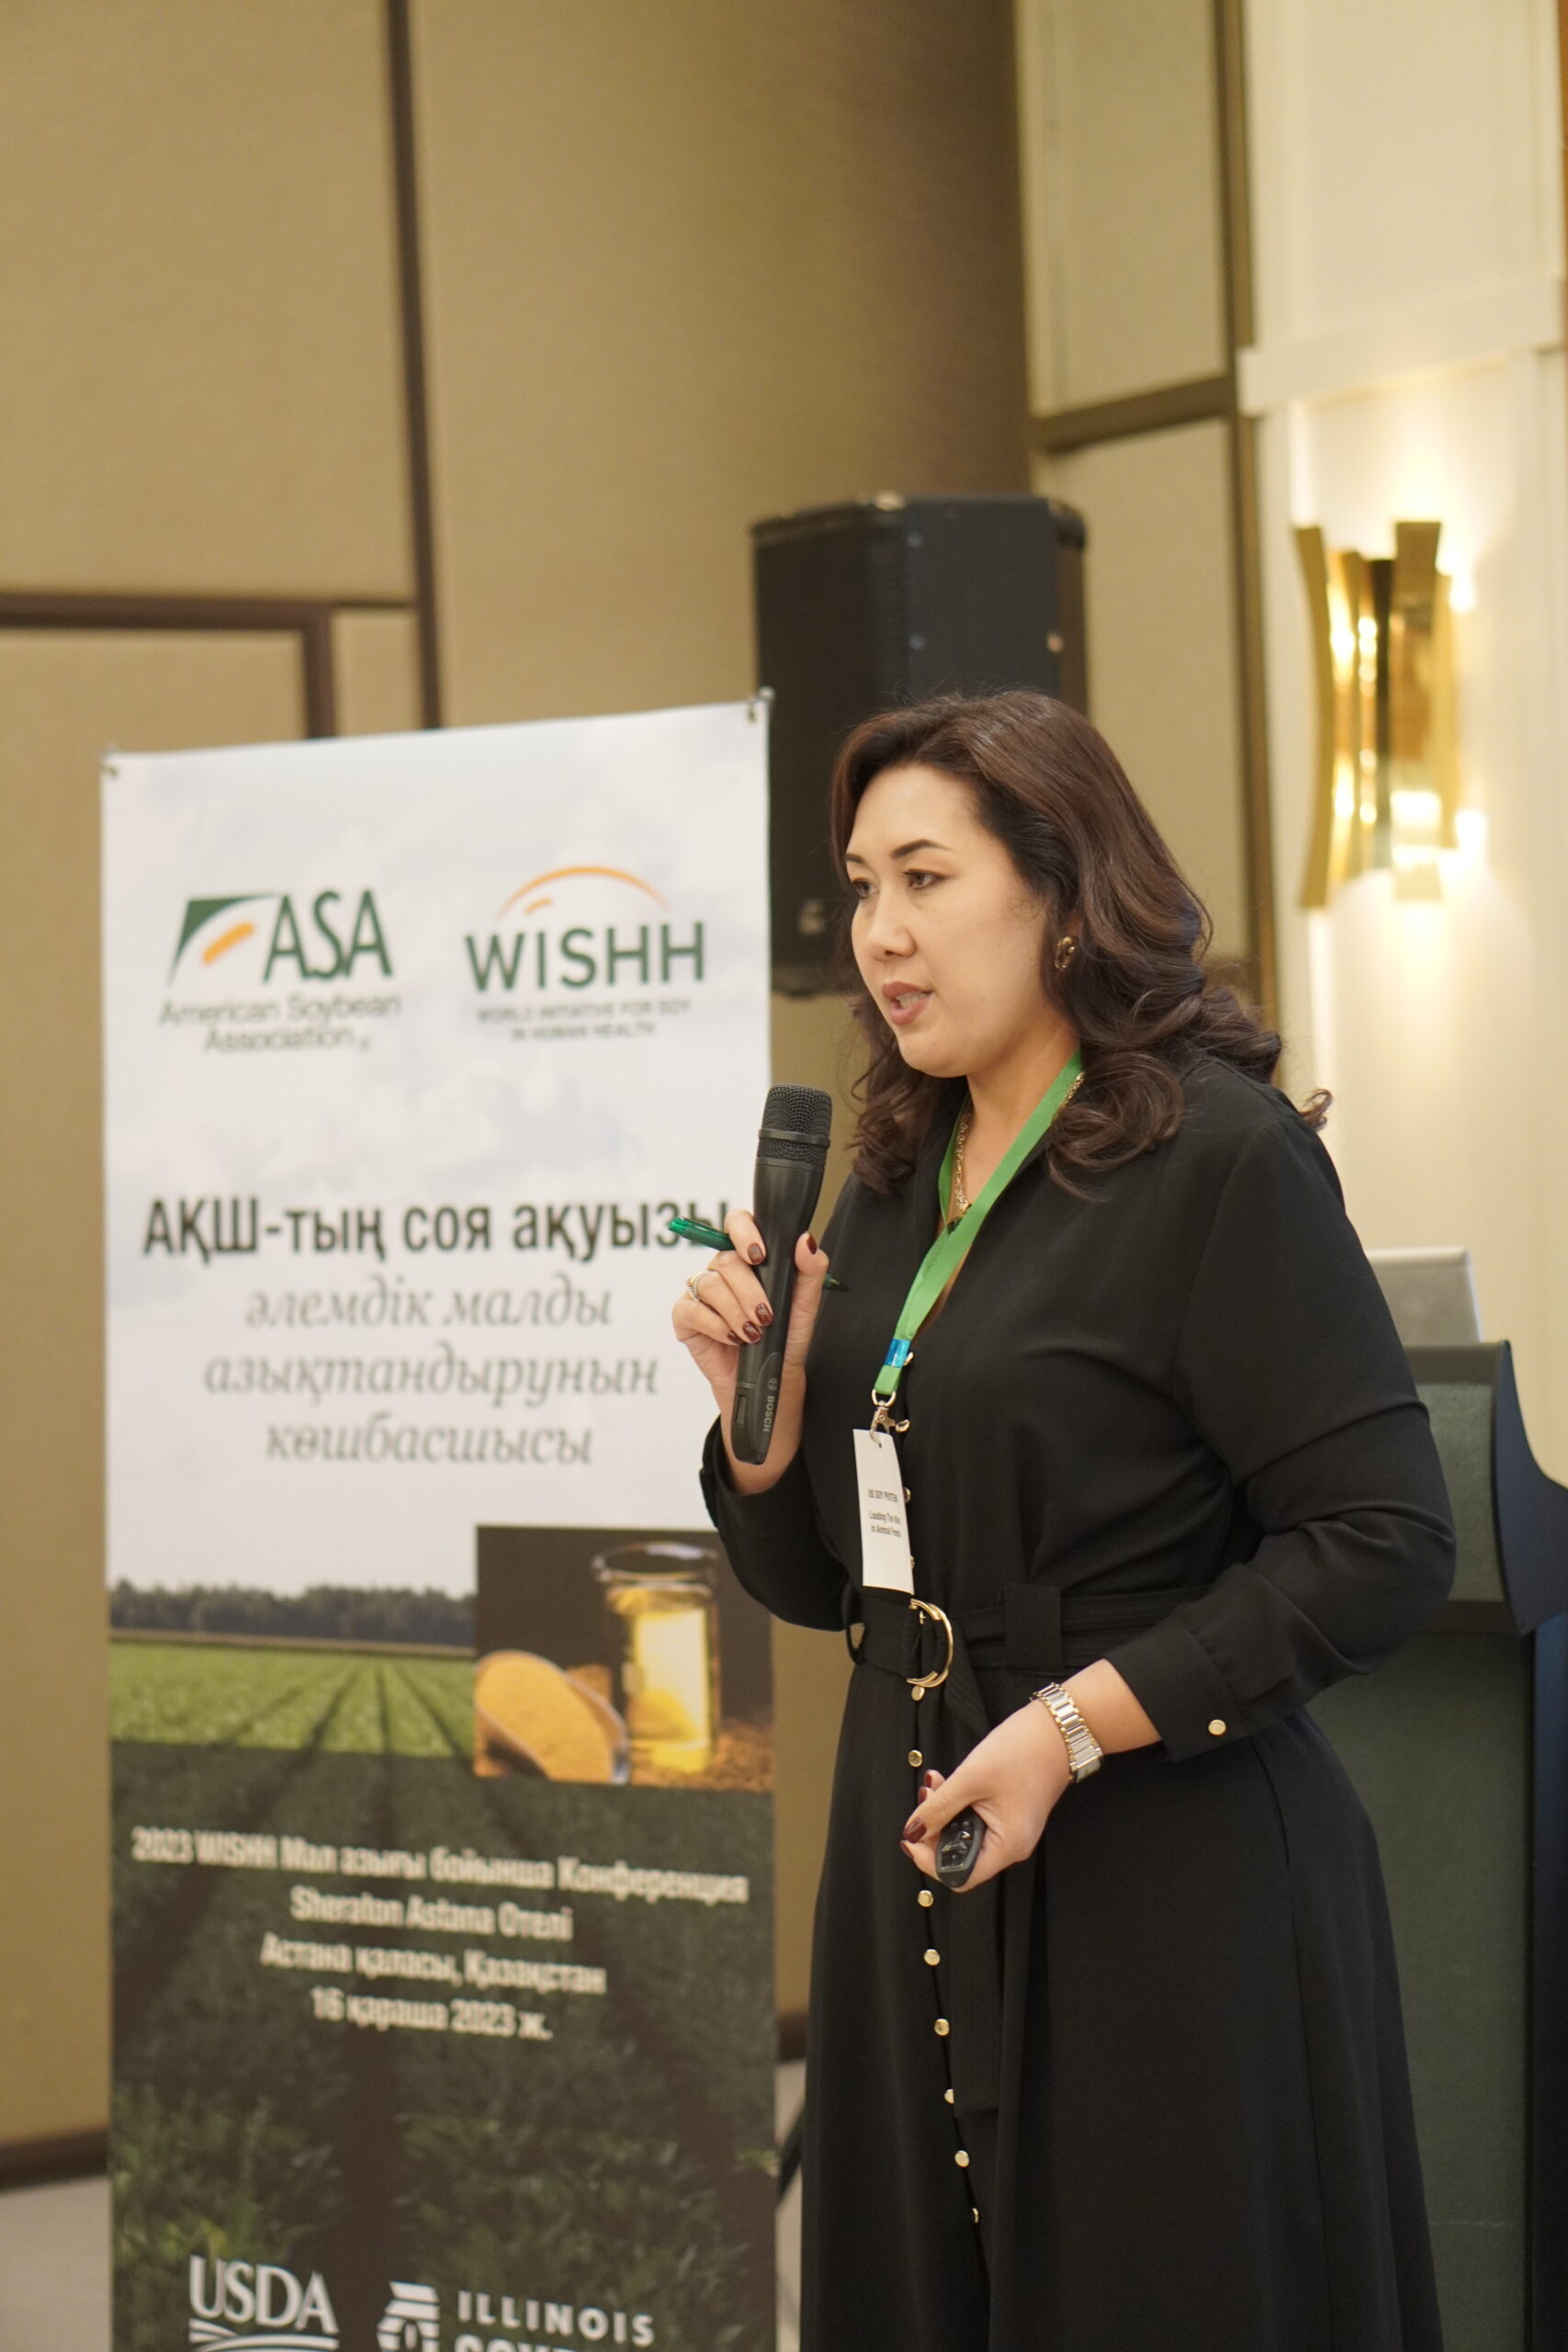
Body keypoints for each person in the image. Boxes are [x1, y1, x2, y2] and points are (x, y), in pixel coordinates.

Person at [673, 691, 1456, 2352]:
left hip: (1159, 1869)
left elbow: (1381, 1539)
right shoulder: (890, 1170)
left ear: (1062, 882)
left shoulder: (1215, 1159)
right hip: (913, 1839)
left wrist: (1071, 1730)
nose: (883, 937)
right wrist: (766, 1423)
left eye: (926, 879)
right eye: (858, 890)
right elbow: (832, 1577)